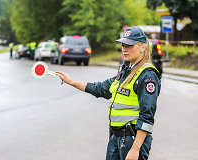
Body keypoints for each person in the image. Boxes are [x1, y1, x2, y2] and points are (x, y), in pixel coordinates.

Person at [56, 26, 161, 160]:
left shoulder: (147, 75)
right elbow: (100, 88)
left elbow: (147, 116)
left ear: (143, 47)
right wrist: (71, 82)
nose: (124, 48)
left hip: (132, 139)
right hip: (116, 137)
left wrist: (135, 149)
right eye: (123, 44)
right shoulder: (125, 72)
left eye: (129, 45)